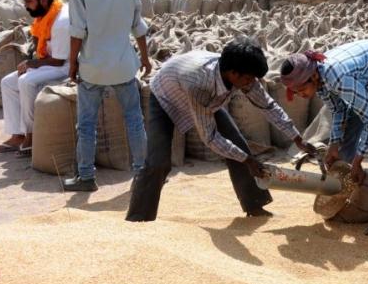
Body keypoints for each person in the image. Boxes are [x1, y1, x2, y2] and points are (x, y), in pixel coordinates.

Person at [125, 38, 319, 221]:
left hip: (206, 99)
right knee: (158, 162)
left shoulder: (241, 74)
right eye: (249, 78)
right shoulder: (199, 84)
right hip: (166, 97)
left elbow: (267, 105)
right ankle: (139, 218)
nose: (251, 83)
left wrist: (297, 138)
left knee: (239, 146)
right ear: (234, 74)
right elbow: (209, 137)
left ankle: (254, 205)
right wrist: (248, 160)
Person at [280, 39, 368, 237]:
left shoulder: (338, 78)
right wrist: (334, 144)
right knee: (350, 130)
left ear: (313, 76)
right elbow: (338, 109)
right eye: (295, 92)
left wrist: (358, 160)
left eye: (301, 89)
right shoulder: (321, 80)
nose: (300, 95)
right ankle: (342, 192)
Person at [63, 0, 150, 192]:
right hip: (124, 66)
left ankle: (86, 177)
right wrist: (145, 59)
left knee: (87, 124)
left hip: (93, 68)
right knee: (134, 119)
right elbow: (140, 28)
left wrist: (73, 63)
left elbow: (78, 31)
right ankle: (143, 175)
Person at [0, 0, 70, 156]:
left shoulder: (62, 21)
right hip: (50, 63)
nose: (26, 6)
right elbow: (40, 43)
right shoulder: (45, 14)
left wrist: (31, 64)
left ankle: (32, 135)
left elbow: (59, 61)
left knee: (26, 81)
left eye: (28, 1)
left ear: (42, 0)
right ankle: (17, 135)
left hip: (66, 65)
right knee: (8, 82)